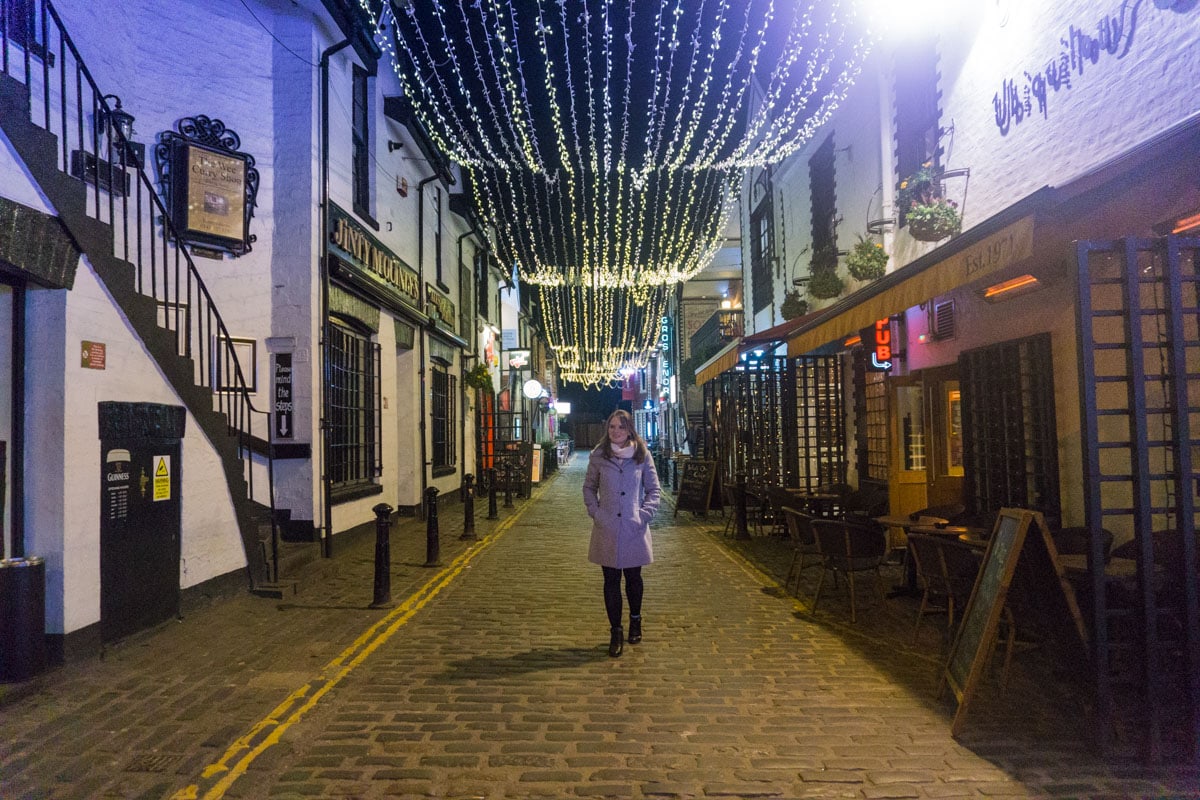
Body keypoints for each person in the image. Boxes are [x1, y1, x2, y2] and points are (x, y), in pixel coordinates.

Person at [582, 409, 662, 657]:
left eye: (621, 427)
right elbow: (588, 487)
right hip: (607, 527)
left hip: (633, 527)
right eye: (612, 427)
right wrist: (596, 512)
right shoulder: (599, 455)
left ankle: (635, 619)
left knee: (634, 578)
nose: (616, 431)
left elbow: (653, 490)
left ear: (629, 430)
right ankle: (615, 631)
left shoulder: (641, 454)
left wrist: (644, 515)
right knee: (611, 581)